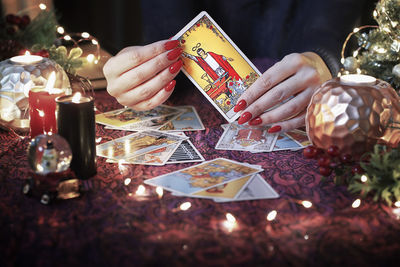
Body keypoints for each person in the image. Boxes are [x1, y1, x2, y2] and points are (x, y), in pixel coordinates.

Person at [103, 0, 368, 133]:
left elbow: (326, 25)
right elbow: (169, 32)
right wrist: (142, 71)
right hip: (195, 110)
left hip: (305, 115)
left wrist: (322, 60)